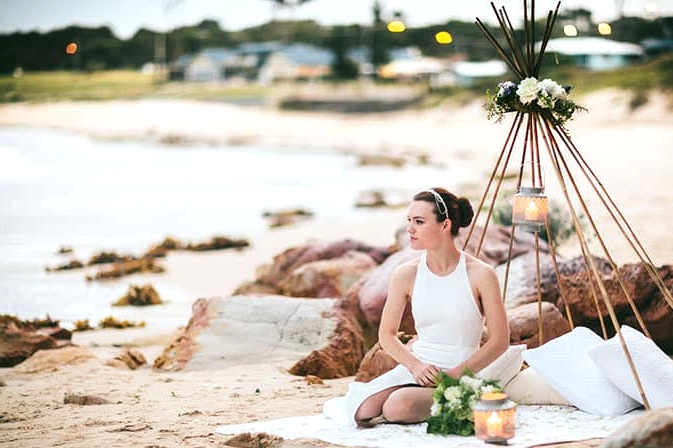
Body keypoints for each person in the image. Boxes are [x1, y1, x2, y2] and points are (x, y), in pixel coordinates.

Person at [330, 187, 510, 427]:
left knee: (397, 407)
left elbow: (500, 340)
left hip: (464, 369)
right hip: (421, 366)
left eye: (419, 222)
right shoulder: (406, 274)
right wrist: (415, 366)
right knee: (361, 410)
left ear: (444, 226)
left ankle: (456, 399)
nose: (410, 229)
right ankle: (417, 396)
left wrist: (454, 376)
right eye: (409, 221)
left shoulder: (481, 274)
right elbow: (387, 335)